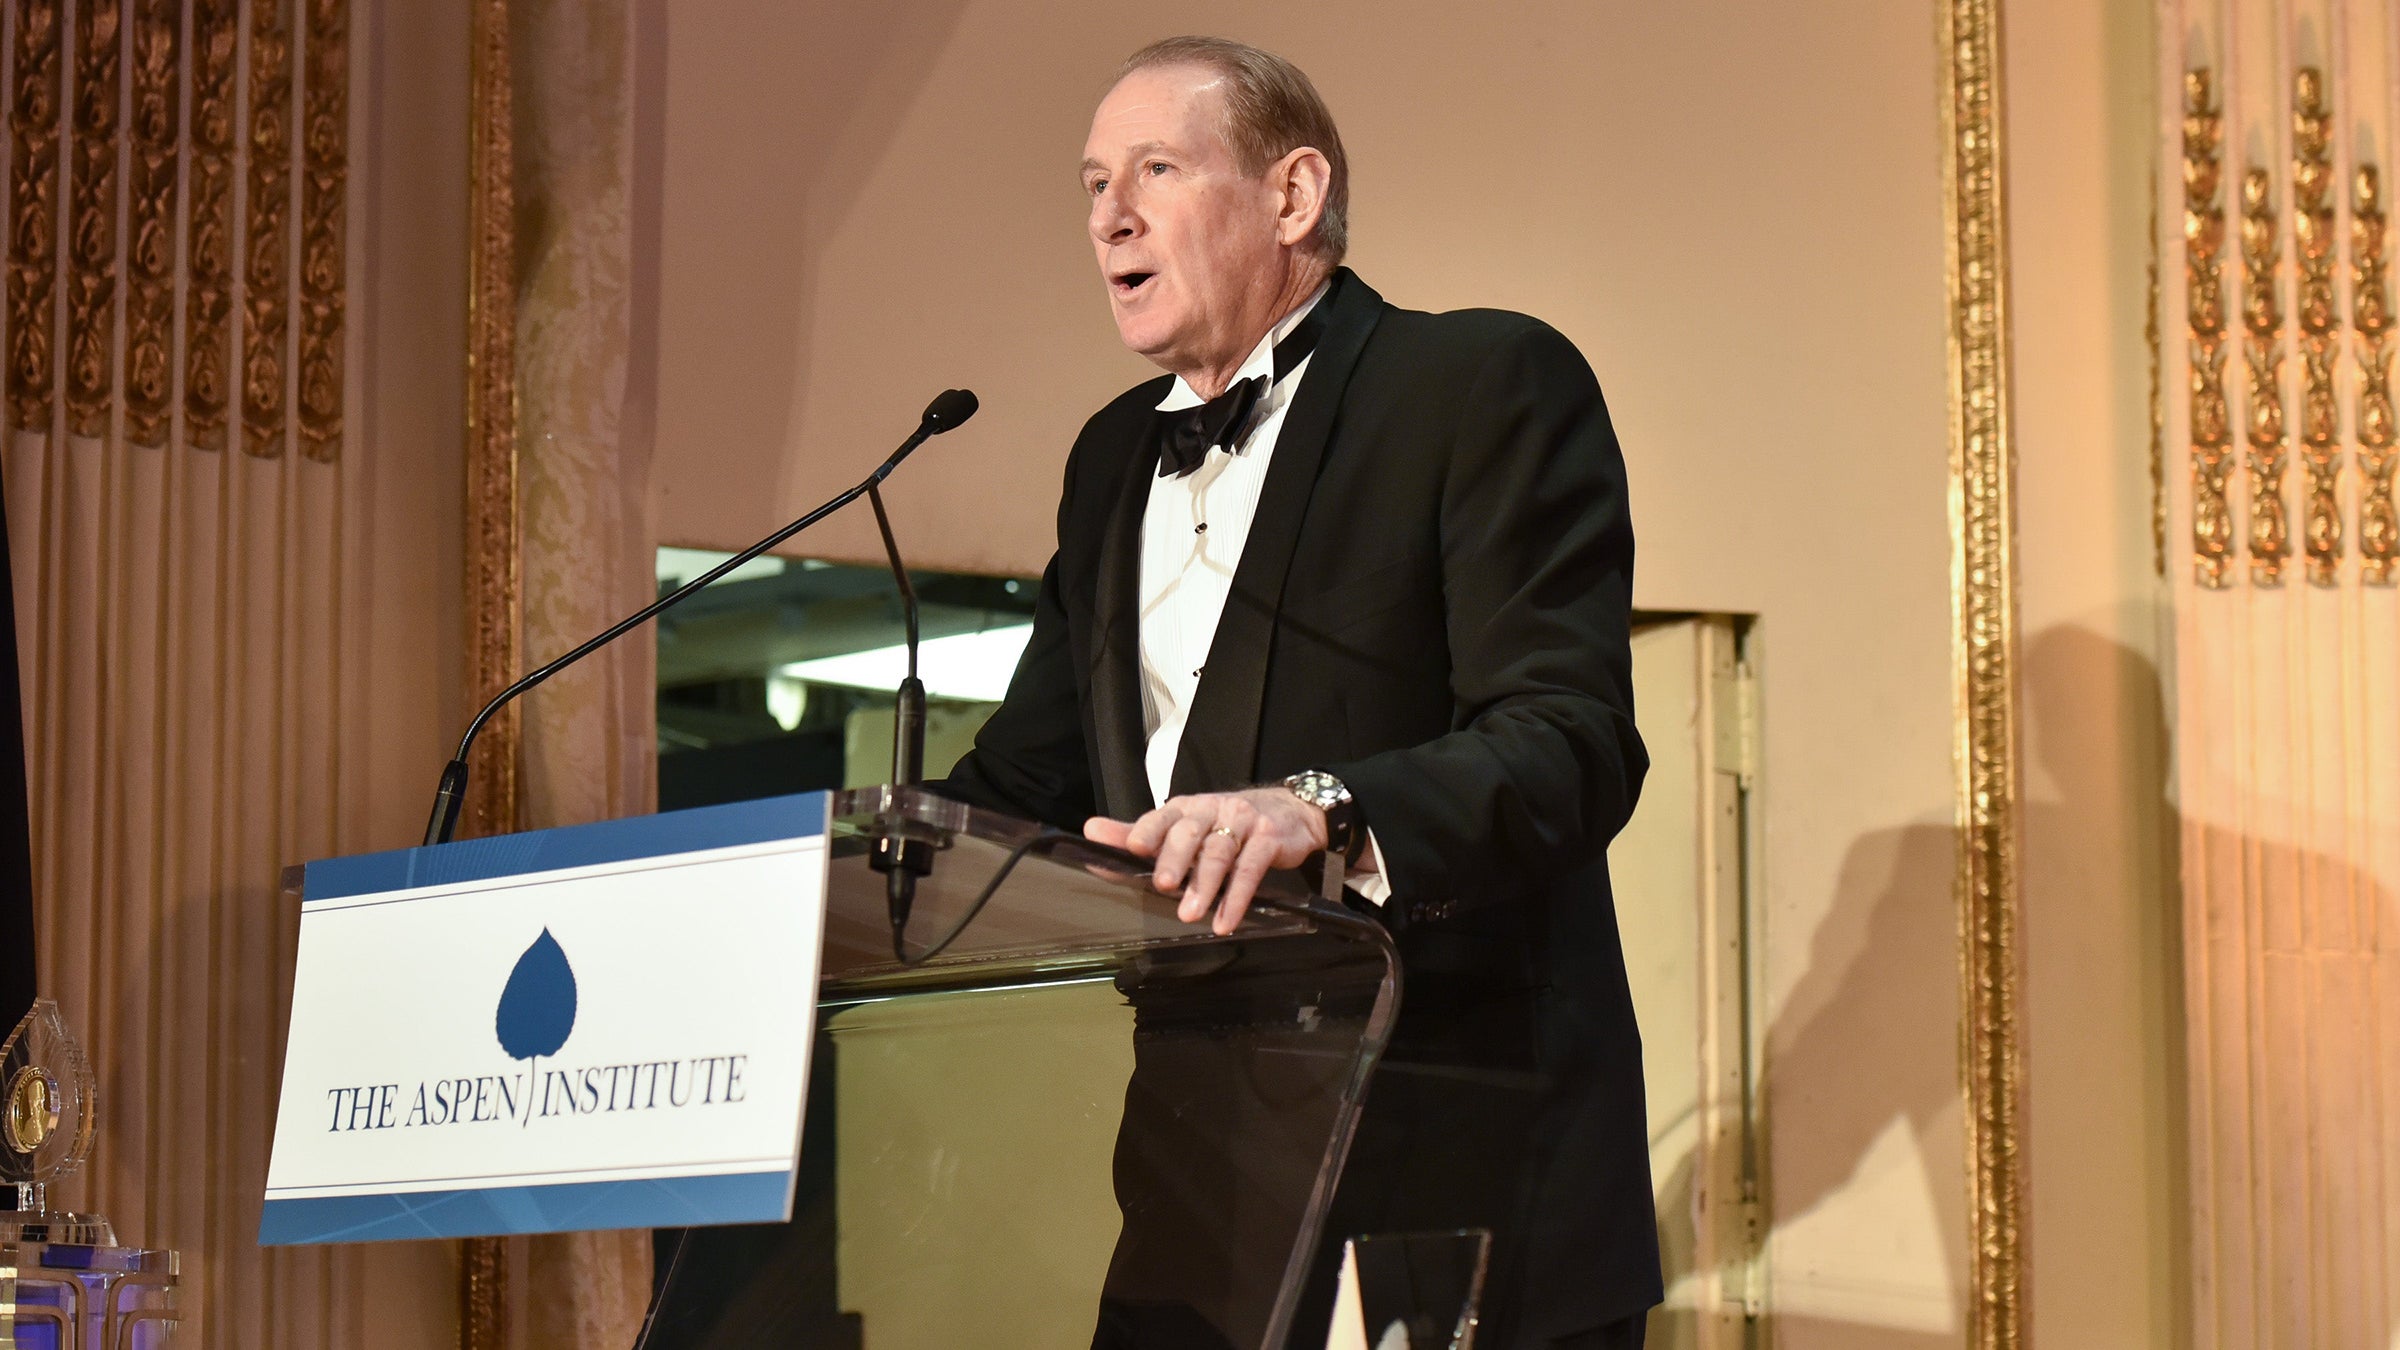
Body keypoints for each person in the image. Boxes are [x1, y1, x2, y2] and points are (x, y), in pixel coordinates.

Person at [936, 35, 1657, 1350]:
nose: (1109, 216)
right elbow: (1022, 782)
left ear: (1293, 194)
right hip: (1195, 1191)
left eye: (1156, 170)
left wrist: (1322, 808)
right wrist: (803, 872)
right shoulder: (1111, 459)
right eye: (1093, 183)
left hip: (1450, 1170)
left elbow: (1571, 742)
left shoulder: (1477, 384)